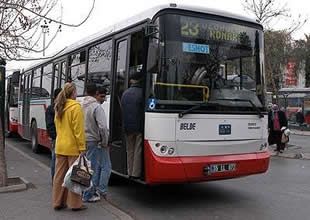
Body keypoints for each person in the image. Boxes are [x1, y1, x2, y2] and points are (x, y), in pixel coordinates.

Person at [52, 83, 87, 211]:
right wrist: (82, 147)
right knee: (75, 177)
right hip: (72, 147)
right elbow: (79, 131)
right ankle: (75, 204)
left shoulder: (59, 107)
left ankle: (57, 202)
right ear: (73, 93)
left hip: (60, 146)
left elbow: (58, 128)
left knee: (59, 176)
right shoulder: (75, 107)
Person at [81, 84, 109, 202]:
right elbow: (102, 127)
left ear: (86, 92)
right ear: (96, 92)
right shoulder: (96, 107)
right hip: (93, 140)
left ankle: (84, 192)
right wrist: (105, 142)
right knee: (93, 169)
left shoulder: (80, 105)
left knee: (84, 167)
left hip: (82, 140)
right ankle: (88, 195)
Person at [121, 71, 144, 179]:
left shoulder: (125, 93)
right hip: (138, 126)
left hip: (127, 127)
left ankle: (129, 171)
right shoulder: (143, 93)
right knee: (137, 150)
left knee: (129, 149)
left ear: (131, 80)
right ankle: (136, 173)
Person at [45, 88, 62, 183]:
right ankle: (54, 181)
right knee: (55, 160)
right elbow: (50, 125)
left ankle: (56, 181)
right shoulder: (52, 108)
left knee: (57, 160)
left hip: (58, 138)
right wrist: (55, 136)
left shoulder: (59, 107)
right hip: (56, 139)